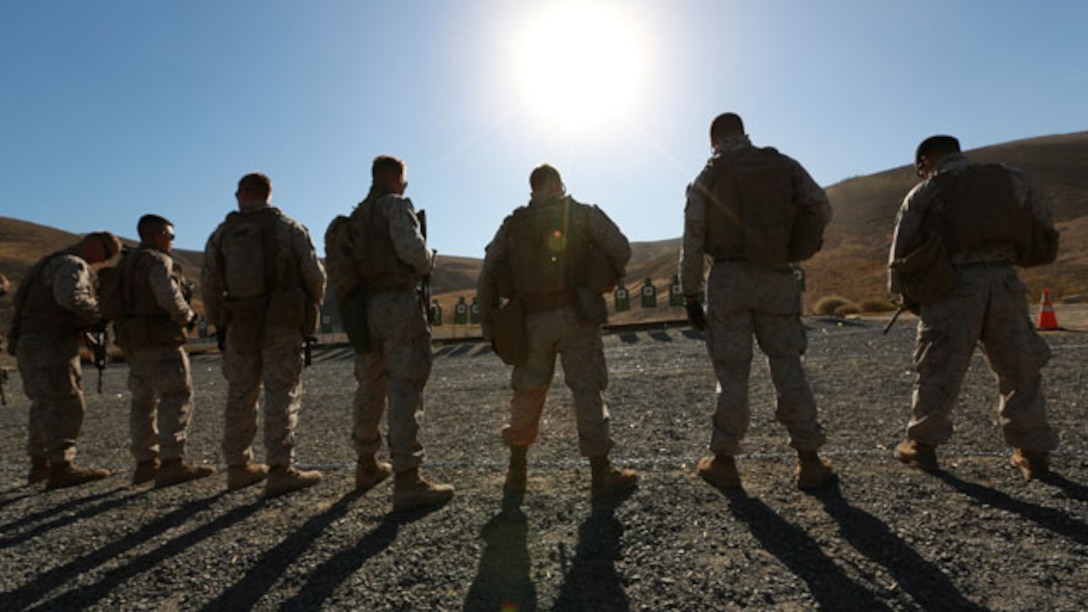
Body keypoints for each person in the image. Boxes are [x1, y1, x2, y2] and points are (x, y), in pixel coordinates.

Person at [888, 135, 1060, 480]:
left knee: (938, 368)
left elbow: (901, 247)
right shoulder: (1013, 178)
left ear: (926, 162)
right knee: (1019, 369)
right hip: (1005, 283)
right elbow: (1043, 224)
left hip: (953, 288)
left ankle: (923, 447)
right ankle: (1033, 452)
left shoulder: (926, 190)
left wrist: (903, 295)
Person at [679, 112, 835, 491]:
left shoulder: (707, 177)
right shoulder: (782, 165)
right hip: (777, 275)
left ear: (713, 140)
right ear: (743, 133)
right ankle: (809, 460)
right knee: (788, 366)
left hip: (728, 280)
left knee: (732, 372)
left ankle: (724, 460)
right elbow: (821, 206)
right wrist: (796, 247)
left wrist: (690, 294)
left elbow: (694, 238)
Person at [478, 163, 638, 499]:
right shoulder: (581, 213)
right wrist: (607, 277)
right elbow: (620, 247)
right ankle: (600, 473)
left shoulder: (513, 224)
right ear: (558, 185)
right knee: (587, 390)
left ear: (533, 189)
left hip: (530, 321)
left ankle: (517, 471)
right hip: (577, 315)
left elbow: (489, 270)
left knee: (528, 391)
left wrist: (488, 323)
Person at [325, 155, 453, 512]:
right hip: (397, 304)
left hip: (364, 311)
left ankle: (366, 464)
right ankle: (407, 479)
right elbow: (412, 252)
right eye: (404, 180)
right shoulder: (394, 206)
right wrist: (429, 257)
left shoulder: (356, 218)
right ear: (396, 179)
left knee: (370, 384)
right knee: (405, 385)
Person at [201, 173, 326, 497]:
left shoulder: (223, 234)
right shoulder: (289, 228)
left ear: (241, 195)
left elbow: (210, 283)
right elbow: (314, 275)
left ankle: (239, 468)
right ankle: (280, 469)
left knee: (241, 395)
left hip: (240, 325)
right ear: (268, 194)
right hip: (282, 323)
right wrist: (309, 313)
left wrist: (220, 324)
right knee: (281, 394)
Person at [7, 232, 121, 488]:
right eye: (105, 254)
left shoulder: (46, 263)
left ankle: (40, 466)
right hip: (53, 343)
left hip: (30, 342)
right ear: (93, 244)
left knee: (43, 403)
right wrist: (98, 317)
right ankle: (62, 466)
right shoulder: (73, 264)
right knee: (66, 402)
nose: (102, 262)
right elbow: (71, 297)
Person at [113, 215, 215, 487]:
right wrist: (188, 317)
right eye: (170, 236)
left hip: (133, 342)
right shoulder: (157, 261)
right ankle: (173, 462)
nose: (171, 241)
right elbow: (168, 295)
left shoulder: (126, 264)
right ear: (158, 234)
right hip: (161, 340)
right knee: (176, 396)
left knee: (143, 401)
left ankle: (146, 463)